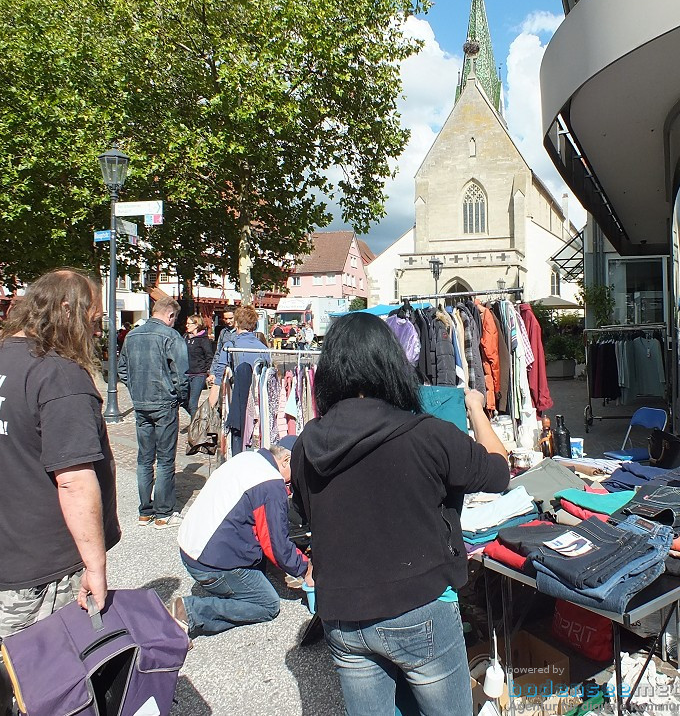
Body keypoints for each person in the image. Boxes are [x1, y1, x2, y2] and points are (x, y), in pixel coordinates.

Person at [291, 313, 510, 714]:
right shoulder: (427, 434)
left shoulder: (307, 444)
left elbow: (306, 518)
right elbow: (499, 471)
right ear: (391, 364)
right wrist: (476, 408)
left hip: (343, 615)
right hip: (420, 606)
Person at [0, 269, 120, 657]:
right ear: (66, 311)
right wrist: (95, 565)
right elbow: (73, 480)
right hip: (39, 568)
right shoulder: (59, 376)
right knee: (43, 678)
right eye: (93, 320)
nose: (96, 332)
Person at [172, 435, 311, 638]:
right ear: (286, 460)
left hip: (191, 548)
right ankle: (190, 612)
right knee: (267, 604)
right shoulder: (270, 483)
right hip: (209, 563)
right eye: (296, 472)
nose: (293, 482)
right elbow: (276, 545)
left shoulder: (248, 457)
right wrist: (305, 568)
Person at [119, 296, 189, 529]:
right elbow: (181, 374)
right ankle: (163, 513)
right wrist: (180, 396)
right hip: (163, 402)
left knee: (144, 458)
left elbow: (122, 370)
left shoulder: (132, 335)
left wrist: (136, 389)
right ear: (170, 315)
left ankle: (145, 511)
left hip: (141, 403)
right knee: (165, 459)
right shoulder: (171, 336)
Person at [208, 305, 270, 407]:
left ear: (237, 323)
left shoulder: (231, 346)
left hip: (237, 394)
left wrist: (210, 405)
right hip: (257, 398)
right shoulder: (263, 348)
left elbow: (218, 376)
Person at [184, 315, 213, 418]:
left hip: (198, 374)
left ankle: (194, 429)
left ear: (196, 325)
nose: (186, 325)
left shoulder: (203, 340)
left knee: (192, 403)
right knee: (183, 400)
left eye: (189, 323)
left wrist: (209, 372)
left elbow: (209, 356)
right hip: (186, 373)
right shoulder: (185, 337)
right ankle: (199, 418)